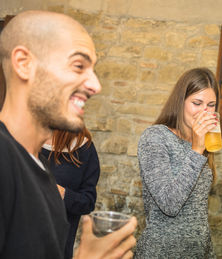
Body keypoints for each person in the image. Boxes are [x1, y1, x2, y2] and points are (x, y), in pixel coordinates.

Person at [0, 10, 136, 259]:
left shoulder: (37, 169)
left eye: (93, 69)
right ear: (24, 63)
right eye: (78, 66)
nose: (95, 85)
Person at [135, 67, 219, 258]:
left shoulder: (205, 142)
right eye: (197, 103)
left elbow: (198, 213)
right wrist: (197, 150)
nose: (205, 112)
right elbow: (169, 204)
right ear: (181, 102)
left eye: (211, 105)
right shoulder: (155, 137)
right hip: (161, 253)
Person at [41, 127, 100, 259]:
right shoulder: (23, 139)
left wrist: (62, 193)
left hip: (58, 247)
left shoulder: (84, 148)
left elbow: (87, 202)